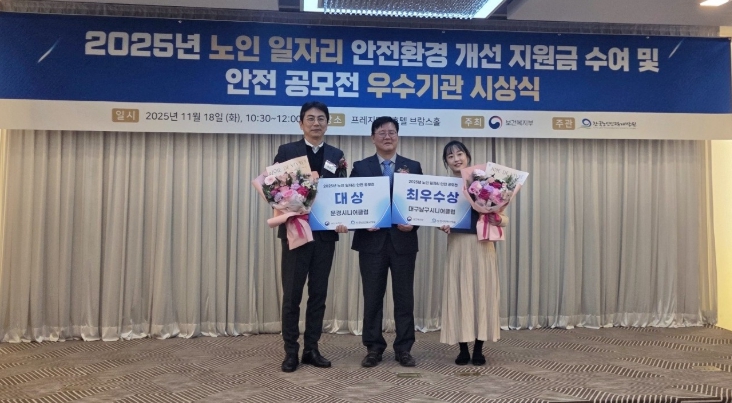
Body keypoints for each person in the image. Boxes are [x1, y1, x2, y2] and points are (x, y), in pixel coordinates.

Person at [273, 101, 348, 373]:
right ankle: (291, 351)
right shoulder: (287, 151)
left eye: (321, 119)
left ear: (327, 123)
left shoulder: (336, 154)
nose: (316, 123)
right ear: (301, 123)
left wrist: (344, 219)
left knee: (318, 294)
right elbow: (275, 190)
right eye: (310, 118)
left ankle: (311, 349)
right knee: (292, 294)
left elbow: (343, 193)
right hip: (295, 231)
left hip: (325, 234)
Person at [350, 116, 423, 368]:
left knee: (404, 299)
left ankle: (404, 348)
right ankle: (373, 347)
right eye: (381, 133)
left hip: (403, 242)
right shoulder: (360, 167)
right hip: (371, 243)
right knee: (372, 298)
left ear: (398, 136)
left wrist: (414, 223)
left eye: (392, 132)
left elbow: (420, 205)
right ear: (373, 138)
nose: (387, 137)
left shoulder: (413, 166)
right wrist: (362, 222)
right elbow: (353, 202)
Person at [439, 140, 507, 366]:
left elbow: (503, 217)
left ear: (467, 156)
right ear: (446, 162)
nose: (456, 159)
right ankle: (462, 349)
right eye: (450, 156)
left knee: (482, 294)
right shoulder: (443, 188)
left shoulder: (486, 182)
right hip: (458, 246)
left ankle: (478, 348)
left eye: (459, 154)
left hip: (483, 246)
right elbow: (435, 216)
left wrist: (496, 218)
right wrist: (441, 225)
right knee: (459, 294)